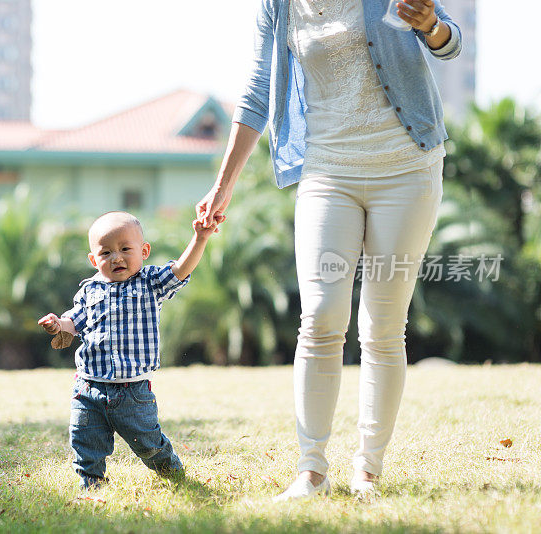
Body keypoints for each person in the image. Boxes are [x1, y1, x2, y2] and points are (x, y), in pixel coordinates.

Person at [196, 0, 463, 500]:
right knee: (319, 317)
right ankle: (311, 470)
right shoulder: (278, 5)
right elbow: (257, 90)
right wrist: (223, 184)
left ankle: (368, 470)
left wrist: (431, 27)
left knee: (383, 325)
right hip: (327, 170)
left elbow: (450, 43)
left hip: (407, 166)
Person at [38, 211, 219, 489]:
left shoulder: (149, 283)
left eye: (125, 249)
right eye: (106, 252)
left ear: (144, 251)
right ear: (93, 260)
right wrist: (57, 324)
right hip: (88, 388)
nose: (116, 258)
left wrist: (200, 237)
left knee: (148, 443)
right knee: (84, 438)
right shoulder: (89, 291)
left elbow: (181, 270)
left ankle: (171, 472)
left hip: (132, 392)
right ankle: (91, 483)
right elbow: (73, 322)